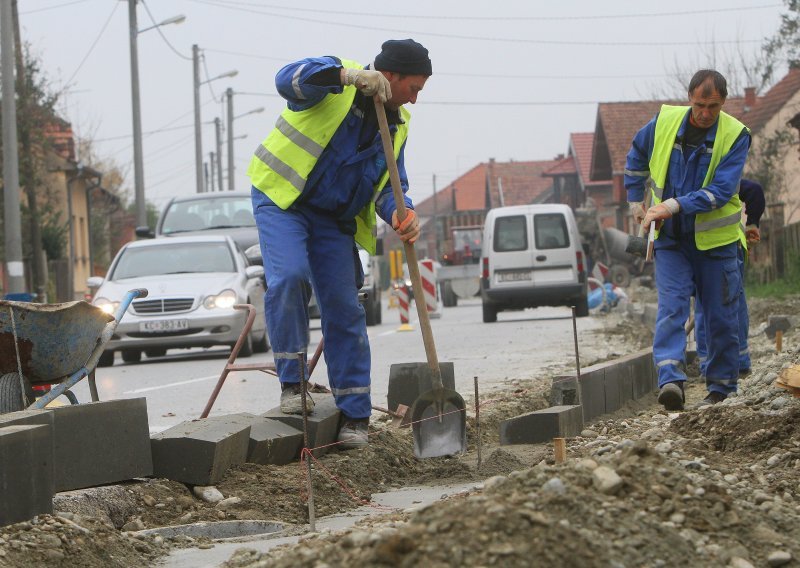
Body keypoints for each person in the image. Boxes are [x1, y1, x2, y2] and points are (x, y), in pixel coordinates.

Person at [247, 39, 431, 449]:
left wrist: (403, 212)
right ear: (391, 75)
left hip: (333, 219)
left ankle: (354, 416)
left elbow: (391, 185)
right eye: (413, 88)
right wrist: (348, 77)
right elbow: (288, 80)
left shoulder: (398, 123)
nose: (415, 100)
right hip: (284, 200)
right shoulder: (337, 77)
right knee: (290, 276)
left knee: (345, 306)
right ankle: (293, 385)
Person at [625, 69, 751, 410]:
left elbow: (722, 190)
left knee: (719, 315)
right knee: (672, 308)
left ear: (723, 102)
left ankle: (721, 388)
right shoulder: (664, 124)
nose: (705, 113)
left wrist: (671, 205)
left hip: (716, 244)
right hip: (671, 242)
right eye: (699, 105)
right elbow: (636, 158)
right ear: (689, 98)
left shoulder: (735, 135)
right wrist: (636, 202)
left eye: (713, 106)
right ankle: (671, 380)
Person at [694, 178, 765, 382]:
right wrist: (752, 224)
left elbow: (754, 190)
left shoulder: (703, 180)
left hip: (713, 248)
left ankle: (709, 364)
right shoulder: (724, 176)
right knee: (735, 302)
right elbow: (755, 191)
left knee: (704, 304)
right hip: (731, 245)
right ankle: (740, 361)